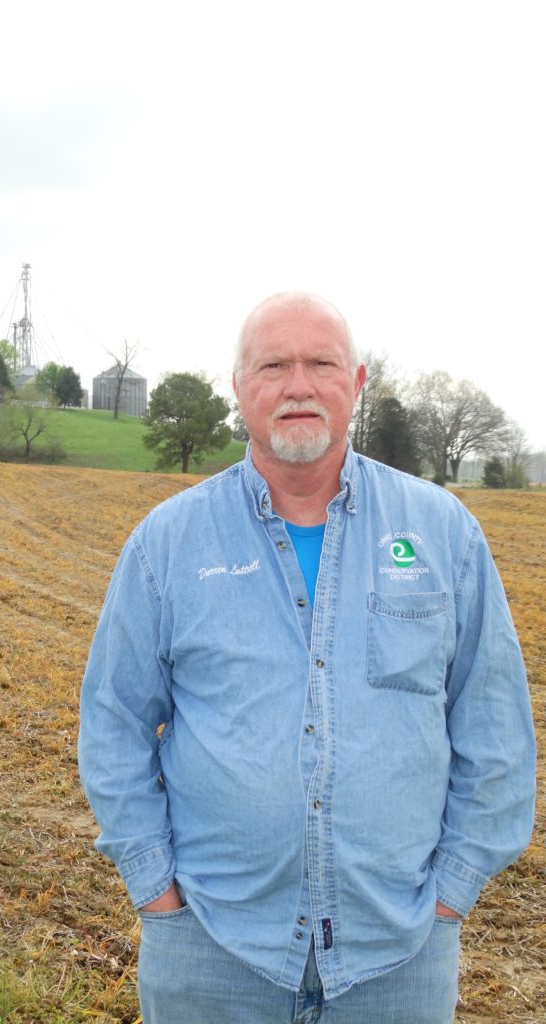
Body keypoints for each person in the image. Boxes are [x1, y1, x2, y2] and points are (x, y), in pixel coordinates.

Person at [78, 292, 536, 1023]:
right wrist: (156, 893)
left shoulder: (441, 532)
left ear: (355, 384)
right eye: (273, 365)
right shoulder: (168, 543)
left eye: (321, 364)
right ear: (239, 389)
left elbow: (494, 730)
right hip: (211, 953)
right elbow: (113, 723)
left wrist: (451, 894)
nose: (298, 385)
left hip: (400, 959)